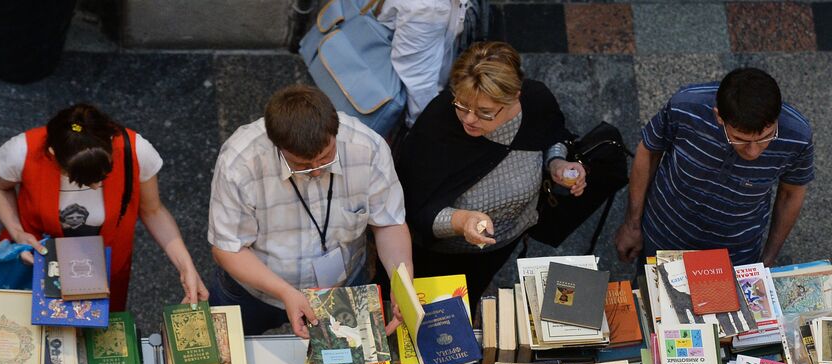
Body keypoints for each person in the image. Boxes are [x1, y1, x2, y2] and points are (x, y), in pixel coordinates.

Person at [207, 85, 413, 338]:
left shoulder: (368, 147)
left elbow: (389, 223)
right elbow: (228, 248)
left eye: (326, 158)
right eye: (301, 165)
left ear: (334, 132)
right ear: (277, 146)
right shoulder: (239, 161)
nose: (316, 171)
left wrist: (402, 284)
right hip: (256, 290)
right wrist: (285, 292)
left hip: (342, 283)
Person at [397, 41, 584, 301]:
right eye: (462, 105)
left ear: (515, 96)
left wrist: (557, 163)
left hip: (505, 240)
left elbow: (554, 134)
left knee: (474, 290)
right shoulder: (438, 124)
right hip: (443, 252)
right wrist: (462, 221)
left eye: (485, 112)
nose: (469, 119)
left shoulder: (536, 100)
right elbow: (415, 208)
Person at [0, 102, 208, 309]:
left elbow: (153, 210)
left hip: (104, 267)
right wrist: (17, 232)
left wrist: (186, 266)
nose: (95, 186)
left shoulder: (135, 150)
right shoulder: (22, 151)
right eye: (81, 179)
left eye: (103, 175)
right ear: (53, 155)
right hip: (37, 261)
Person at [615, 67, 813, 269]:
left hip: (735, 255)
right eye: (739, 139)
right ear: (719, 116)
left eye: (765, 137)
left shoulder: (798, 137)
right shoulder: (685, 107)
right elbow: (649, 151)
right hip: (664, 235)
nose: (753, 152)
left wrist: (769, 258)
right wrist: (632, 225)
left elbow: (791, 194)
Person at [376, 0, 468, 129]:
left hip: (406, 87)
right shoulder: (426, 8)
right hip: (396, 105)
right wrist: (425, 128)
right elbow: (419, 83)